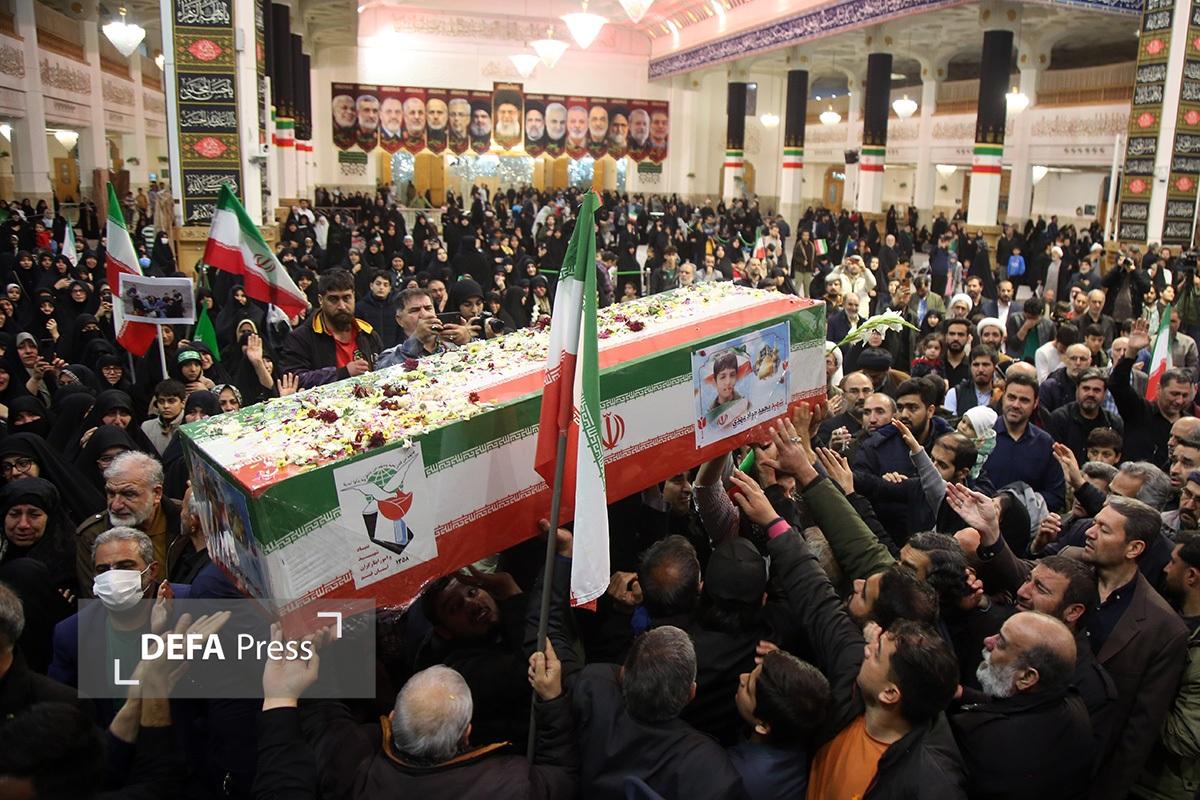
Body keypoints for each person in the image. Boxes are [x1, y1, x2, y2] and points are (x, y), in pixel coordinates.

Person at [74, 451, 181, 598]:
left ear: (156, 493)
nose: (116, 505)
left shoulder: (186, 518)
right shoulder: (93, 534)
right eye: (111, 493)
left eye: (129, 494)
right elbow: (96, 600)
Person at [1111, 318, 1196, 467]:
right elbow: (1117, 384)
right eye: (1174, 394)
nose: (1179, 401)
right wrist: (1131, 351)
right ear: (1159, 389)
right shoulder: (1138, 411)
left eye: (1184, 395)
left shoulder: (1190, 425)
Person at [279, 270, 383, 388]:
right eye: (334, 299)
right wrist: (342, 373)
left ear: (354, 296)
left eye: (346, 298)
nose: (342, 306)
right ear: (320, 300)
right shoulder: (300, 338)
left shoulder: (367, 334)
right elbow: (292, 378)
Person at [981, 371, 1065, 511]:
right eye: (1011, 397)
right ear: (1003, 397)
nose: (1016, 405)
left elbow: (1055, 495)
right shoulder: (982, 436)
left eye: (1024, 400)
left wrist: (1020, 505)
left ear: (1035, 403)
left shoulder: (1045, 443)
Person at [1043, 368, 1124, 465]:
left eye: (1096, 390)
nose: (1091, 394)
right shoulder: (1059, 419)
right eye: (1086, 389)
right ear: (1077, 390)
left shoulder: (1114, 423)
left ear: (1104, 393)